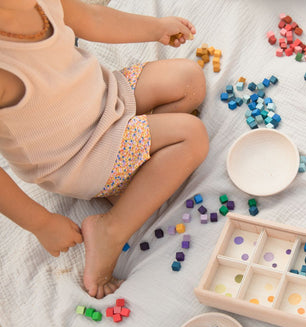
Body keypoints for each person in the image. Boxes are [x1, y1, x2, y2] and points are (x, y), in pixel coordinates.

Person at [0, 0, 209, 299]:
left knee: (189, 79)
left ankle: (134, 172)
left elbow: (92, 17)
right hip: (80, 156)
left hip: (105, 98)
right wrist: (41, 223)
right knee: (192, 136)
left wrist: (156, 29)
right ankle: (110, 229)